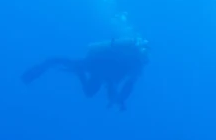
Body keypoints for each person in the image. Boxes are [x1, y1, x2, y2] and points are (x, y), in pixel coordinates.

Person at [21, 37, 149, 110]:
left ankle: (43, 68)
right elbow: (129, 86)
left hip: (95, 64)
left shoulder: (129, 56)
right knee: (91, 93)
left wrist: (120, 98)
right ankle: (79, 72)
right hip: (103, 72)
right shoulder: (137, 65)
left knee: (66, 64)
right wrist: (121, 99)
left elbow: (126, 87)